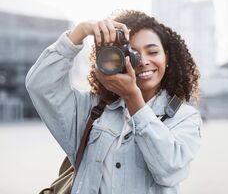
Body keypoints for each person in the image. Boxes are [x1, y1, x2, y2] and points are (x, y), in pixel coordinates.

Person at [25, 10, 202, 194]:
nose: (143, 61)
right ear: (113, 60)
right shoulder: (92, 110)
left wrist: (134, 99)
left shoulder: (185, 117)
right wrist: (80, 32)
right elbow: (40, 85)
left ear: (166, 58)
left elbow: (169, 171)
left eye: (153, 51)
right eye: (132, 53)